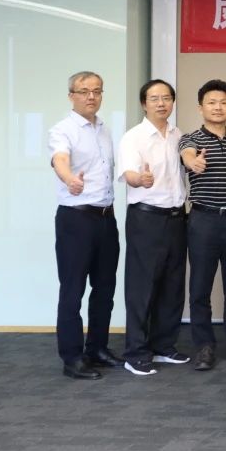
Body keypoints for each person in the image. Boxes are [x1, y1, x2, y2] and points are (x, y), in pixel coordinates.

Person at [48, 71, 121, 380]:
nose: (91, 96)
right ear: (71, 96)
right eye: (84, 91)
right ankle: (72, 357)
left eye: (97, 91)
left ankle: (97, 348)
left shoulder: (104, 130)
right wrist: (69, 179)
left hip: (106, 218)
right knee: (73, 289)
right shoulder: (62, 130)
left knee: (105, 288)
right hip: (76, 220)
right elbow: (60, 160)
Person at [118, 79, 190, 376]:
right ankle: (135, 352)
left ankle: (163, 346)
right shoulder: (133, 137)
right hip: (146, 218)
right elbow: (129, 174)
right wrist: (140, 179)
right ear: (143, 104)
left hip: (177, 217)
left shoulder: (178, 135)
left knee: (173, 284)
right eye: (154, 98)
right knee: (142, 286)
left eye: (166, 98)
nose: (161, 103)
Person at [179, 79, 226, 371]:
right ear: (201, 107)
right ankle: (204, 346)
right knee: (200, 287)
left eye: (223, 102)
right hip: (203, 220)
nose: (218, 107)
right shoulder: (191, 139)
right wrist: (193, 162)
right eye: (211, 102)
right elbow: (187, 156)